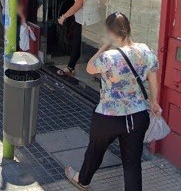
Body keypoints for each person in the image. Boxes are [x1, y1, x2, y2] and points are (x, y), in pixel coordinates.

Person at [65, 13, 160, 191]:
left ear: (110, 32)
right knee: (132, 164)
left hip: (108, 117)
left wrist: (105, 45)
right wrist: (154, 102)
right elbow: (153, 78)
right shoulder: (145, 51)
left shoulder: (108, 57)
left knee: (95, 151)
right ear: (129, 29)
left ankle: (82, 181)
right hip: (138, 116)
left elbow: (90, 67)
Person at [56, 0, 101, 76]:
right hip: (94, 21)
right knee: (93, 45)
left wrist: (63, 17)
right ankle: (96, 69)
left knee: (77, 44)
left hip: (83, 22)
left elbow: (76, 7)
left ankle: (70, 68)